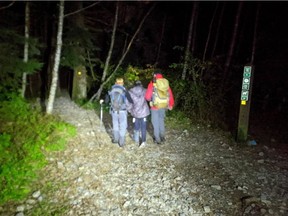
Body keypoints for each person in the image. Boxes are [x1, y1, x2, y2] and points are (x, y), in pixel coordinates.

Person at [145, 71, 174, 145]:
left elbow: (147, 97)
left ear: (154, 75)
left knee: (155, 123)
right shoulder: (165, 83)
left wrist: (150, 99)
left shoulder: (152, 83)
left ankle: (157, 139)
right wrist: (170, 104)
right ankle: (162, 137)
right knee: (161, 121)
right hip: (163, 106)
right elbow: (170, 94)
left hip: (155, 107)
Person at [105, 78, 133, 147]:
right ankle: (121, 142)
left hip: (114, 111)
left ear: (115, 83)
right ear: (122, 83)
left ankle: (116, 139)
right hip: (122, 111)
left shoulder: (111, 90)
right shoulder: (124, 90)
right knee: (122, 125)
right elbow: (130, 100)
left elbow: (106, 101)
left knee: (115, 124)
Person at [127, 80, 150, 147]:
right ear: (141, 85)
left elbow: (128, 103)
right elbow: (149, 98)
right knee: (143, 127)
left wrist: (130, 110)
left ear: (134, 85)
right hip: (144, 112)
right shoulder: (145, 90)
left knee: (136, 125)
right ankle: (143, 141)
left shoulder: (130, 92)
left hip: (135, 112)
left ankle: (136, 139)